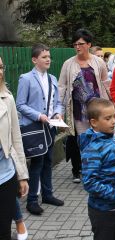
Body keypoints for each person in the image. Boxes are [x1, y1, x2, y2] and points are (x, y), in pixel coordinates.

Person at [16, 43, 64, 215]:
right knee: (37, 163)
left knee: (48, 161)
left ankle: (48, 194)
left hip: (50, 127)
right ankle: (32, 200)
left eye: (49, 57)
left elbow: (58, 102)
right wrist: (39, 116)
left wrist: (58, 113)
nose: (48, 59)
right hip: (35, 128)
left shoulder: (52, 78)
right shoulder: (26, 78)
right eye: (44, 57)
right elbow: (20, 104)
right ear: (34, 60)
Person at [80, 98, 115, 240]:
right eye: (107, 118)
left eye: (114, 117)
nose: (113, 121)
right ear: (94, 122)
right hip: (103, 211)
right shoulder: (93, 149)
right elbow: (90, 183)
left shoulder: (112, 139)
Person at [58, 28, 110, 183]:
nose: (77, 47)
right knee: (80, 142)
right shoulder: (68, 64)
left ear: (89, 44)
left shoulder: (98, 62)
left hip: (96, 109)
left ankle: (96, 170)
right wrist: (59, 110)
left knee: (97, 140)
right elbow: (61, 87)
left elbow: (106, 84)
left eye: (80, 43)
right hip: (78, 111)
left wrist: (111, 104)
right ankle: (80, 170)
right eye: (75, 44)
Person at [0, 56, 29, 239]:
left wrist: (22, 175)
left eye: (1, 67)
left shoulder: (7, 98)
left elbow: (16, 139)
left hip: (5, 176)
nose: (0, 72)